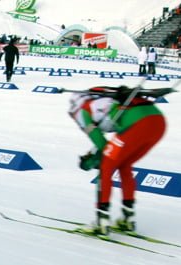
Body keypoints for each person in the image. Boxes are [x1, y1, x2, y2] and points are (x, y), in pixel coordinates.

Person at [68, 86, 167, 235]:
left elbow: (103, 146)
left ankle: (102, 222)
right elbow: (110, 148)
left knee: (106, 167)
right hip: (158, 122)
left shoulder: (81, 113)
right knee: (124, 164)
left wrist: (90, 161)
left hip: (138, 125)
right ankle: (127, 219)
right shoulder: (102, 101)